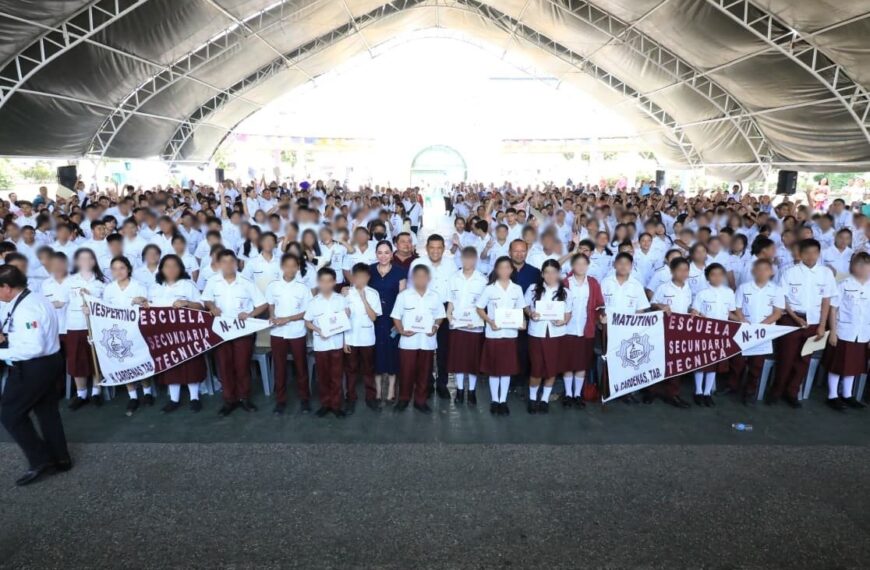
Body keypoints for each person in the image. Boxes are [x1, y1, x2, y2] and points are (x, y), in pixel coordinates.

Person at [0, 265, 71, 486]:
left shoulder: (27, 309)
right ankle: (61, 459)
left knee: (10, 414)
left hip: (32, 366)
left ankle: (41, 459)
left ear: (7, 287)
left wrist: (2, 352)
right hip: (47, 363)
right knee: (47, 412)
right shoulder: (34, 298)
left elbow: (33, 348)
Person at [202, 249, 268, 416]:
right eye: (224, 262)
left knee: (242, 365)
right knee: (224, 366)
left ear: (237, 264)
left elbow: (263, 304)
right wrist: (212, 306)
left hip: (242, 331)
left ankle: (244, 398)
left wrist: (250, 314)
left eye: (231, 261)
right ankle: (229, 400)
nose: (228, 265)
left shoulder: (246, 282)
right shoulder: (213, 281)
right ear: (219, 264)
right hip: (221, 332)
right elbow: (206, 299)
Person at [772, 239, 835, 408]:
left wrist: (822, 325)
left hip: (814, 322)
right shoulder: (789, 272)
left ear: (819, 254)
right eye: (807, 253)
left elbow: (826, 301)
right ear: (800, 254)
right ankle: (777, 391)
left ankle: (792, 393)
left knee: (804, 359)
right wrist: (795, 317)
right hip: (791, 320)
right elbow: (783, 298)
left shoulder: (826, 273)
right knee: (785, 357)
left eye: (814, 252)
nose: (811, 256)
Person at [149, 254, 206, 413]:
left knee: (191, 363)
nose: (171, 269)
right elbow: (149, 309)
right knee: (170, 365)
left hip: (187, 333)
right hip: (165, 334)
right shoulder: (155, 287)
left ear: (180, 268)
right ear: (161, 269)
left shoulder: (188, 285)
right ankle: (174, 399)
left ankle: (194, 397)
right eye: (167, 266)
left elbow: (201, 306)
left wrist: (186, 303)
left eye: (175, 265)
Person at [476, 256, 527, 415]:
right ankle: (494, 401)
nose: (504, 270)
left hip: (510, 335)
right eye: (501, 267)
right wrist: (489, 321)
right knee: (494, 370)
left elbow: (520, 309)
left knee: (506, 370)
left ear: (512, 270)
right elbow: (479, 308)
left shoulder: (517, 289)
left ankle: (503, 401)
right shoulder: (490, 288)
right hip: (494, 334)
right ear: (496, 270)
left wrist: (523, 322)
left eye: (507, 267)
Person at [391, 265, 445, 413]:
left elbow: (440, 315)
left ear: (428, 278)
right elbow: (396, 316)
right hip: (408, 342)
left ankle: (420, 401)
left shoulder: (435, 296)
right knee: (406, 372)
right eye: (417, 276)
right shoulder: (404, 296)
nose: (421, 279)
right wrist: (401, 330)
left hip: (427, 341)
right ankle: (403, 399)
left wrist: (436, 326)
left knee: (425, 373)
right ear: (413, 278)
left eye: (423, 276)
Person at [102, 256, 152, 415]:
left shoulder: (139, 286)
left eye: (122, 268)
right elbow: (103, 310)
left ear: (128, 269)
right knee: (123, 362)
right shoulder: (109, 289)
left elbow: (148, 308)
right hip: (118, 332)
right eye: (115, 269)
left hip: (137, 330)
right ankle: (133, 396)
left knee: (140, 360)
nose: (118, 271)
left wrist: (142, 301)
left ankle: (147, 392)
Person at [266, 253, 313, 415]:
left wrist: (288, 319)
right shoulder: (273, 286)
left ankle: (305, 399)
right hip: (277, 332)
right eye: (287, 266)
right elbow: (271, 305)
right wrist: (272, 316)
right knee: (279, 367)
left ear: (298, 268)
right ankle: (281, 401)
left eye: (294, 266)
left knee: (301, 366)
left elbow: (307, 311)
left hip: (297, 331)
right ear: (282, 267)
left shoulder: (303, 288)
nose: (290, 269)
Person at [409, 234, 456, 400]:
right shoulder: (417, 263)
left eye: (439, 248)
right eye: (432, 247)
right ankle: (426, 383)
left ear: (444, 249)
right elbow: (411, 289)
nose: (435, 251)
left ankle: (442, 384)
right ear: (426, 248)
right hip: (424, 309)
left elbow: (453, 290)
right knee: (425, 349)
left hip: (445, 309)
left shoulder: (451, 265)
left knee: (444, 349)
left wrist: (450, 312)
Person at [732, 259, 785, 404]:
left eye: (765, 269)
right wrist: (742, 319)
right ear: (753, 271)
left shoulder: (777, 290)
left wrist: (761, 326)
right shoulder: (744, 287)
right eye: (759, 269)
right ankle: (732, 386)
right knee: (738, 361)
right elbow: (737, 307)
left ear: (771, 272)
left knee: (756, 364)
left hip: (764, 332)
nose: (762, 272)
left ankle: (750, 391)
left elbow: (777, 313)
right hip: (745, 330)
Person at [524, 259, 572, 414]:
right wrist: (531, 313)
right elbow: (525, 306)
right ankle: (532, 399)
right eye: (547, 272)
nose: (551, 275)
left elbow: (568, 313)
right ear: (542, 274)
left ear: (559, 274)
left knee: (552, 368)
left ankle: (544, 399)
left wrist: (563, 320)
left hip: (557, 334)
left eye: (554, 272)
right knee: (536, 369)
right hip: (536, 333)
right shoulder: (533, 289)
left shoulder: (566, 292)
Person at [824, 252, 869, 410]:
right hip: (843, 331)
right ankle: (832, 395)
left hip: (863, 333)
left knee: (853, 365)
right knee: (837, 364)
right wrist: (833, 331)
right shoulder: (844, 284)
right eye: (864, 266)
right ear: (856, 267)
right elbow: (833, 309)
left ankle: (847, 395)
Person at [690, 263, 738, 406]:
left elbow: (729, 313)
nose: (717, 277)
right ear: (707, 277)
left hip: (721, 333)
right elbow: (695, 312)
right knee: (701, 362)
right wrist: (699, 315)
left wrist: (742, 320)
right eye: (713, 274)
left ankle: (707, 392)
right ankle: (698, 391)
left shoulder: (729, 293)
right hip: (704, 332)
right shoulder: (702, 293)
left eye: (720, 274)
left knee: (714, 364)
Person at [65, 248, 108, 410]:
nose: (85, 262)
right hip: (75, 325)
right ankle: (81, 394)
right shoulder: (70, 281)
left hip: (96, 325)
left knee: (96, 358)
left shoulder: (101, 282)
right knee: (77, 360)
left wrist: (93, 305)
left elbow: (107, 306)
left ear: (94, 261)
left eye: (89, 258)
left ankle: (96, 392)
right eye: (82, 259)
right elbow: (63, 301)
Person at [304, 267, 349, 417]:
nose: (326, 284)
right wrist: (318, 330)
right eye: (322, 281)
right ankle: (325, 404)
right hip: (321, 344)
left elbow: (345, 321)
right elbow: (307, 322)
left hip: (337, 343)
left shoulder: (341, 300)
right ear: (318, 283)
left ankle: (336, 405)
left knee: (336, 376)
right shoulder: (314, 302)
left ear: (334, 282)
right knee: (322, 376)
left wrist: (347, 314)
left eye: (329, 281)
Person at [445, 247, 487, 405]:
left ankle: (472, 392)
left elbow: (484, 306)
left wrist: (478, 321)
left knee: (472, 361)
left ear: (475, 259)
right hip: (457, 326)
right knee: (459, 361)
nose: (468, 261)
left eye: (471, 258)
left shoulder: (482, 280)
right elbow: (450, 302)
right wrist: (449, 317)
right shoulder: (453, 278)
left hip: (475, 327)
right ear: (461, 259)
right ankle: (460, 390)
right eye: (465, 257)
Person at [562, 253, 604, 408]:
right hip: (567, 329)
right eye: (577, 263)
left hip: (586, 329)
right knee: (567, 363)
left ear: (587, 266)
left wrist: (600, 317)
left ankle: (577, 394)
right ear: (572, 266)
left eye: (583, 264)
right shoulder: (565, 282)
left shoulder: (593, 283)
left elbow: (599, 305)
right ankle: (568, 394)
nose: (580, 266)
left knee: (581, 364)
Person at [650, 256, 693, 408]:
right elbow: (653, 304)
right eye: (679, 270)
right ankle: (653, 391)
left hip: (681, 332)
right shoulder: (664, 288)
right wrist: (661, 306)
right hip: (663, 330)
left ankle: (672, 394)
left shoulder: (688, 289)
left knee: (676, 363)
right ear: (672, 271)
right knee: (658, 360)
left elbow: (689, 308)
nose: (683, 273)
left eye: (686, 270)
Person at [369, 241, 405, 403]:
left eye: (386, 252)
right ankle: (377, 390)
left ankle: (391, 390)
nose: (383, 256)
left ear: (392, 254)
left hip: (392, 319)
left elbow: (402, 298)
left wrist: (399, 323)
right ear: (376, 254)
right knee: (376, 354)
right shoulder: (369, 270)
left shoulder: (399, 272)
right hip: (374, 319)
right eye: (380, 252)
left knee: (392, 354)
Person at [342, 263, 382, 412]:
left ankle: (370, 398)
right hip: (350, 337)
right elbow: (341, 319)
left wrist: (364, 299)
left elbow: (373, 317)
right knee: (351, 370)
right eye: (358, 277)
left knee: (368, 369)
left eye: (364, 277)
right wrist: (344, 341)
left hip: (367, 338)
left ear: (368, 277)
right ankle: (350, 398)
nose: (361, 280)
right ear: (353, 277)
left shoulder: (373, 293)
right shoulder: (345, 294)